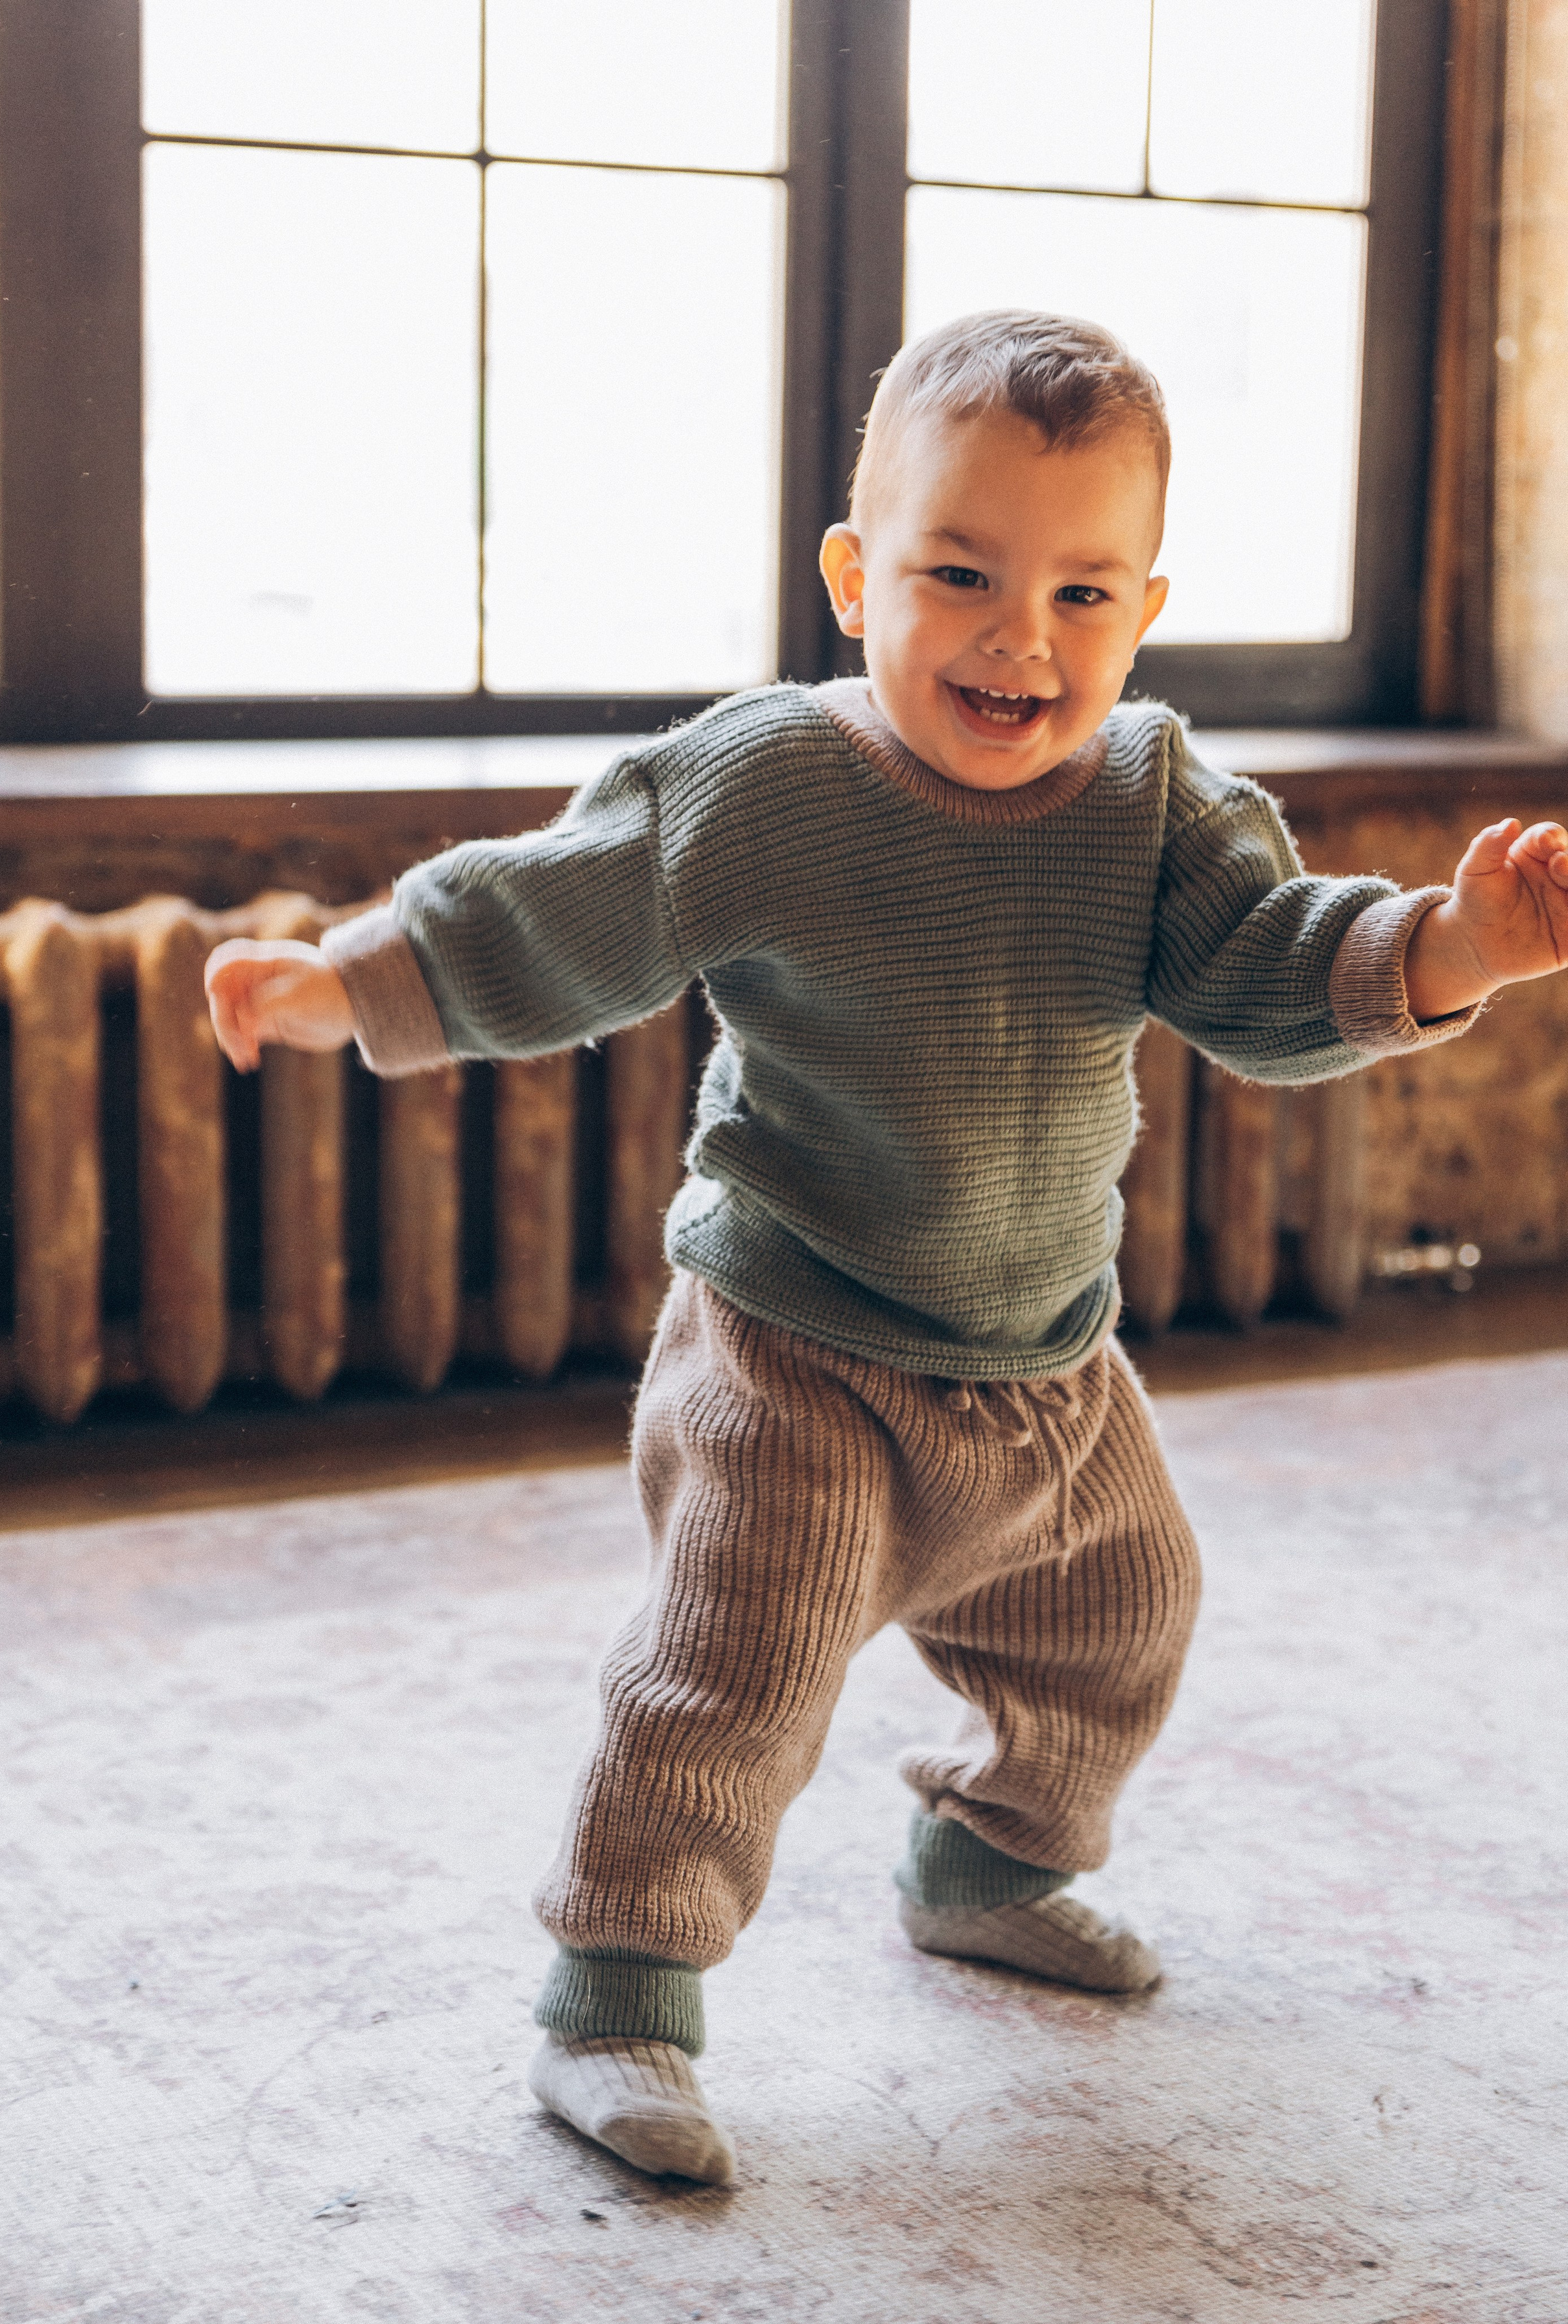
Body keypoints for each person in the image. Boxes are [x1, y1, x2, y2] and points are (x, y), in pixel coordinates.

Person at [205, 311, 1568, 2190]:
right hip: (795, 1349)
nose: (1023, 640)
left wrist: (1459, 947)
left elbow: (1270, 969)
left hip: (1044, 1363)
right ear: (858, 581)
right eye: (961, 576)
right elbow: (565, 903)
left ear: (1145, 614)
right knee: (733, 1680)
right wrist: (347, 981)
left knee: (1126, 1620)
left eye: (1083, 593)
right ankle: (617, 1995)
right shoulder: (768, 785)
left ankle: (988, 1864)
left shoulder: (1152, 800)